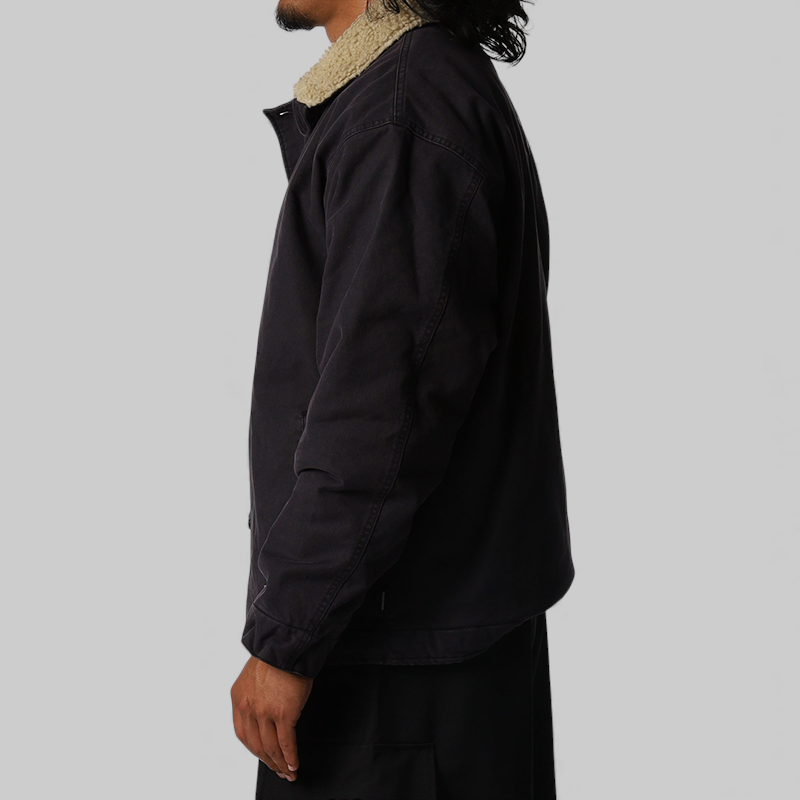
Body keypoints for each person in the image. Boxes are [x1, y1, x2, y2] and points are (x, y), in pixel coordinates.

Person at [230, 1, 576, 796]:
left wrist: (287, 636)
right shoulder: (412, 94)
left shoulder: (403, 116)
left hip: (398, 691)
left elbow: (378, 417)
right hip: (417, 662)